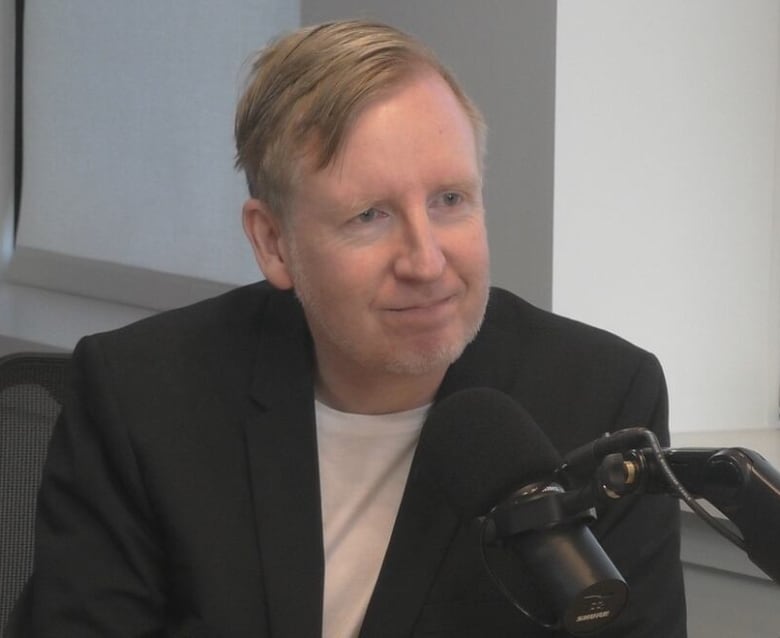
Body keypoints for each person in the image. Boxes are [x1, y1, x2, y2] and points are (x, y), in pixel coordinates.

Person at [10, 19, 686, 637]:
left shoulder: (600, 398)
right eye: (369, 216)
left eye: (449, 200)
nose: (425, 261)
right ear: (272, 241)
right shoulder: (143, 398)